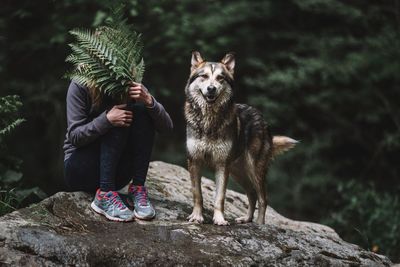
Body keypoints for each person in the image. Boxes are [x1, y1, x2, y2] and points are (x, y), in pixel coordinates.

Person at [63, 81, 173, 222]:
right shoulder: (80, 84)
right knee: (117, 116)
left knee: (143, 112)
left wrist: (149, 100)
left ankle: (137, 188)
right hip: (79, 170)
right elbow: (75, 136)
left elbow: (167, 128)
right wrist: (106, 119)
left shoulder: (125, 78)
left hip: (117, 175)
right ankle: (105, 195)